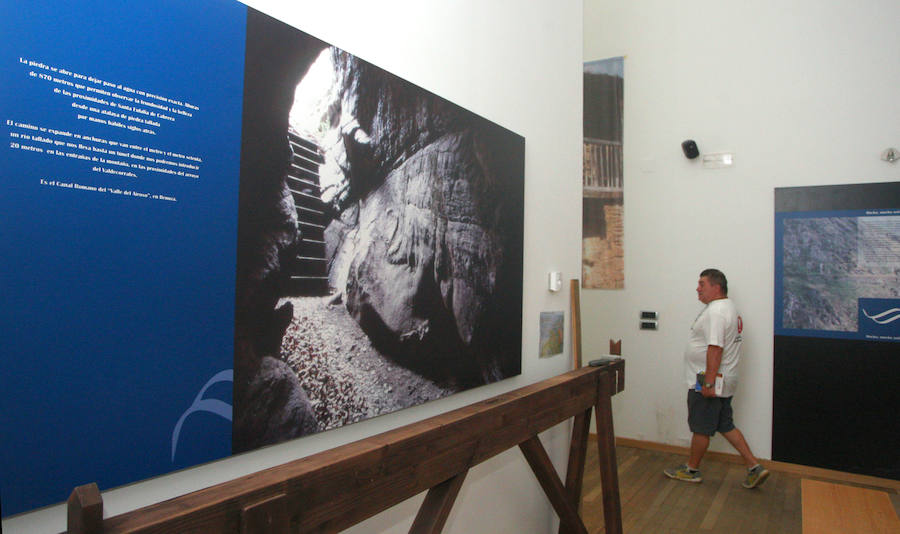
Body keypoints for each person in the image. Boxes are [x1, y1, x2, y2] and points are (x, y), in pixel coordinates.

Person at [664, 268, 769, 489]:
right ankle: (754, 466)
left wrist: (708, 383)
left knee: (700, 427)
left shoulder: (717, 311)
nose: (697, 288)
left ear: (716, 287)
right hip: (723, 378)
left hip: (708, 378)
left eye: (702, 284)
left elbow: (715, 348)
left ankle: (691, 470)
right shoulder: (726, 307)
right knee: (725, 424)